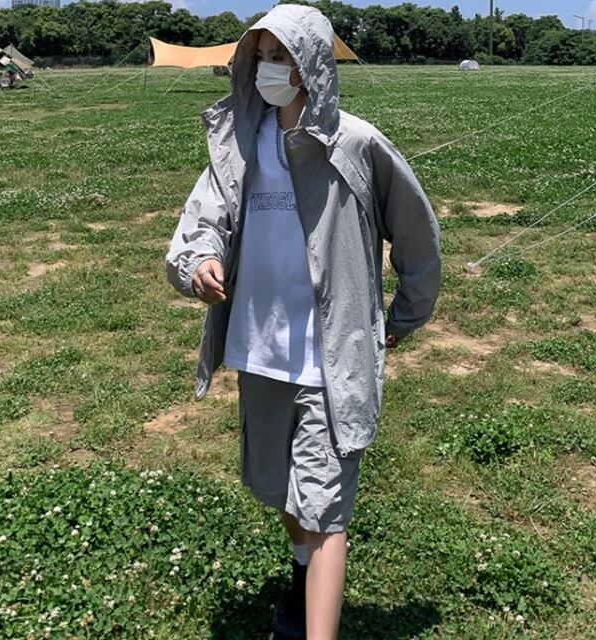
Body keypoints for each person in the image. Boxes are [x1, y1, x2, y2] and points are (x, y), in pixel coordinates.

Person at [165, 5, 441, 639]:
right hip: (259, 349)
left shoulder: (357, 144)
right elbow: (204, 219)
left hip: (331, 356)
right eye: (261, 57)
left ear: (313, 63)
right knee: (281, 490)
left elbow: (417, 233)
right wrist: (200, 262)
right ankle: (300, 576)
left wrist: (405, 312)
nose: (270, 70)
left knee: (324, 513)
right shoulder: (238, 141)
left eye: (283, 58)